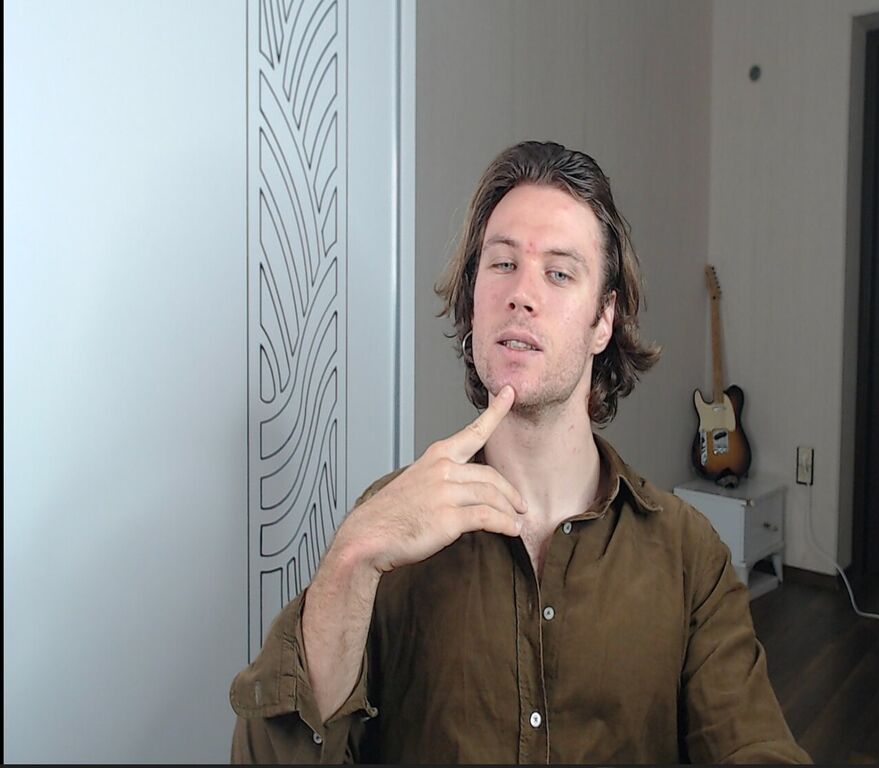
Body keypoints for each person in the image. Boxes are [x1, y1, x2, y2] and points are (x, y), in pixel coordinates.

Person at [230, 140, 811, 764]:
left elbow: (756, 747)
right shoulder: (388, 529)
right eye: (502, 263)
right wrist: (351, 561)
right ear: (473, 299)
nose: (522, 294)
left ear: (603, 320)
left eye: (559, 273)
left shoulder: (689, 556)